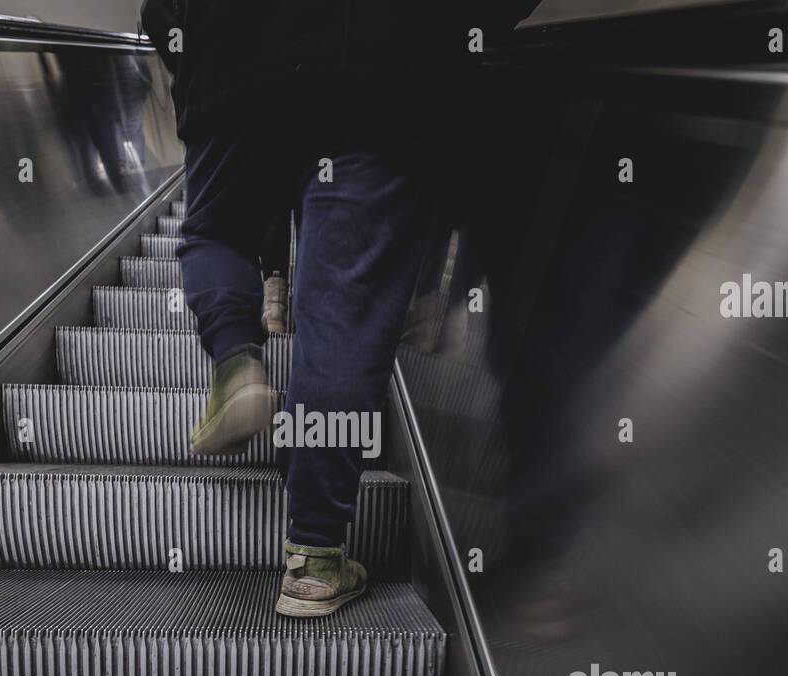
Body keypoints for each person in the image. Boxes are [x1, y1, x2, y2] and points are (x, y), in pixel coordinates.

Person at [142, 0, 528, 616]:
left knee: (216, 233)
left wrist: (197, 53)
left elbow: (161, 12)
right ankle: (315, 559)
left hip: (232, 68)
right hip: (377, 70)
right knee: (342, 311)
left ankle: (238, 361)